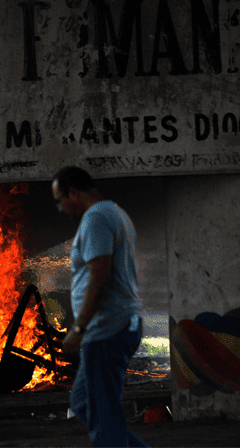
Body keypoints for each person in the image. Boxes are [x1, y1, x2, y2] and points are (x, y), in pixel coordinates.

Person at [52, 166, 148, 447]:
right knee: (84, 402)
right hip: (119, 323)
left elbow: (100, 274)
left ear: (74, 193)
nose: (60, 208)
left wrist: (79, 326)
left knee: (104, 419)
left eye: (60, 200)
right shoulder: (115, 213)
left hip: (107, 328)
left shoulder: (96, 218)